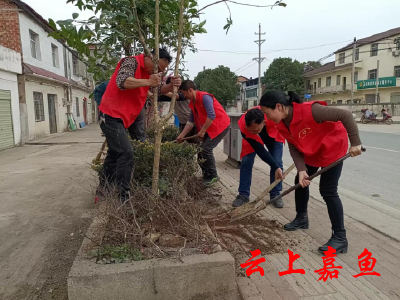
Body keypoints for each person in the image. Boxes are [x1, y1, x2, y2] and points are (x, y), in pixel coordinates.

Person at [259, 90, 362, 254]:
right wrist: (301, 169)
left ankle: (340, 238)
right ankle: (301, 218)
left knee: (328, 190)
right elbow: (293, 146)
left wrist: (355, 142)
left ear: (278, 107)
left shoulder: (311, 110)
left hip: (332, 149)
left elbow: (346, 115)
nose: (267, 117)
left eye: (267, 113)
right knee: (300, 183)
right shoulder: (282, 122)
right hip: (311, 150)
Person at [99, 48, 181, 203]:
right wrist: (149, 81)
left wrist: (170, 87)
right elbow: (122, 81)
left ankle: (104, 190)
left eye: (162, 70)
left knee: (114, 154)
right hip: (111, 114)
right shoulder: (131, 61)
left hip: (127, 117)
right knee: (126, 152)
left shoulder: (149, 73)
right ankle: (123, 198)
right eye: (158, 68)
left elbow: (157, 90)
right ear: (151, 58)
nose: (159, 72)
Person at [177, 80, 230, 186]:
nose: (184, 95)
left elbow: (211, 115)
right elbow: (190, 122)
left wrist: (202, 131)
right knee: (201, 151)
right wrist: (181, 135)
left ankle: (213, 176)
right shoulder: (193, 103)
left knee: (206, 149)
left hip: (220, 126)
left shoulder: (205, 97)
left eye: (184, 93)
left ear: (190, 90)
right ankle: (206, 176)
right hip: (210, 128)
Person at [232, 107, 285, 208]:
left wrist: (276, 167)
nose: (253, 132)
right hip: (252, 141)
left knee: (277, 162)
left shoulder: (272, 116)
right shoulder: (244, 126)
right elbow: (260, 150)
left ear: (264, 122)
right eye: (250, 130)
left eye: (256, 129)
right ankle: (243, 195)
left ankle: (275, 194)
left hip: (273, 135)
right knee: (246, 161)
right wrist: (253, 131)